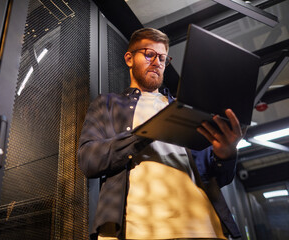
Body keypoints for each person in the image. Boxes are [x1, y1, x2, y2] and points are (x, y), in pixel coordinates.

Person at [78, 28, 243, 240]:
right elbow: (89, 161)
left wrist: (225, 154)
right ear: (129, 59)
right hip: (138, 231)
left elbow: (219, 177)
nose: (157, 62)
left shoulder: (184, 109)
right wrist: (146, 133)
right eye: (149, 54)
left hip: (204, 228)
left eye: (163, 58)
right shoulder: (107, 105)